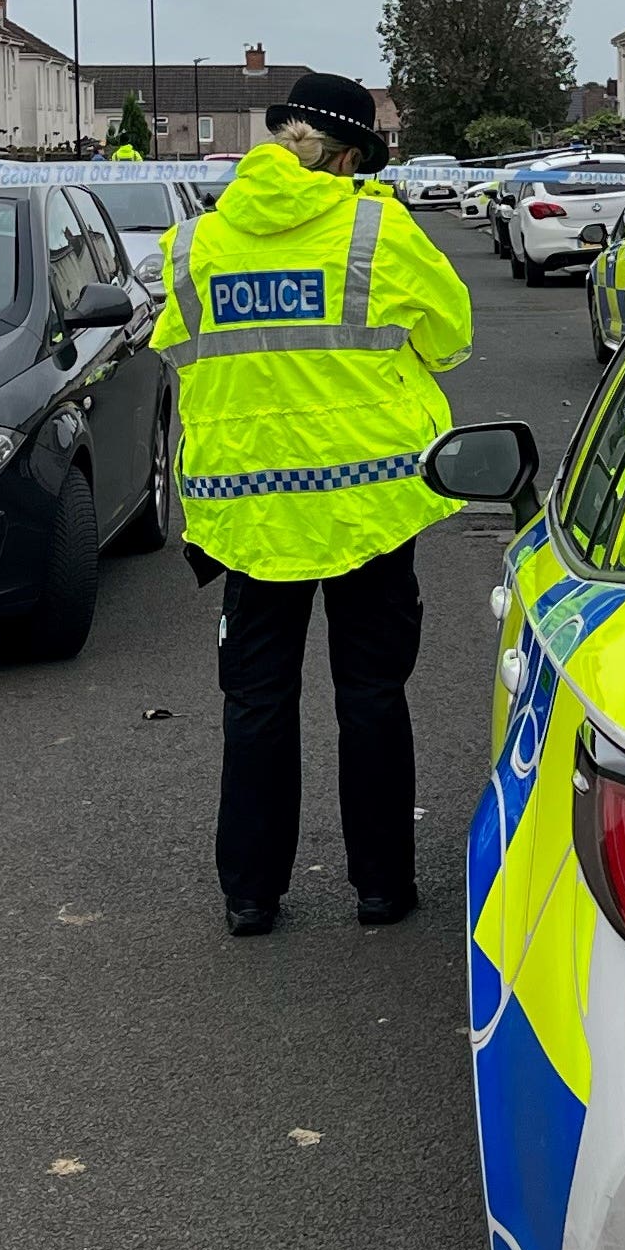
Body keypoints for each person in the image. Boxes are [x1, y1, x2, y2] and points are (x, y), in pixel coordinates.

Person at [151, 71, 474, 935]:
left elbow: (177, 354)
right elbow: (451, 339)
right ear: (344, 157)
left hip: (245, 514)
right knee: (370, 694)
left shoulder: (194, 244)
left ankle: (250, 895)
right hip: (368, 510)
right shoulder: (379, 229)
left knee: (257, 702)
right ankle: (380, 888)